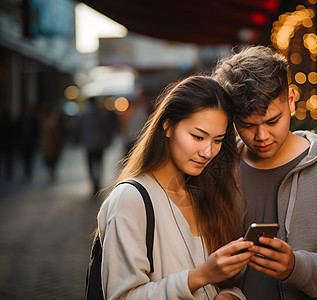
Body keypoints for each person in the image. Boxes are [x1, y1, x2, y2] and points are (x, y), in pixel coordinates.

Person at [212, 45, 317, 299]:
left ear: (291, 100)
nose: (261, 136)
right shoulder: (219, 172)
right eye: (247, 125)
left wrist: (297, 267)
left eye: (272, 121)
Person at [96, 75, 254, 299]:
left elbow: (220, 285)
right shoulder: (130, 199)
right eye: (198, 137)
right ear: (168, 125)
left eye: (217, 140)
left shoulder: (205, 193)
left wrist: (230, 294)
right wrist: (199, 276)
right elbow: (122, 296)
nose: (208, 152)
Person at [75, 96, 114, 196]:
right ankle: (98, 182)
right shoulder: (101, 114)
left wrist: (78, 140)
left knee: (90, 164)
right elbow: (107, 128)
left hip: (88, 144)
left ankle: (93, 183)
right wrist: (108, 140)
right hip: (100, 144)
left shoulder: (83, 114)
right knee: (99, 164)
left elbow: (77, 127)